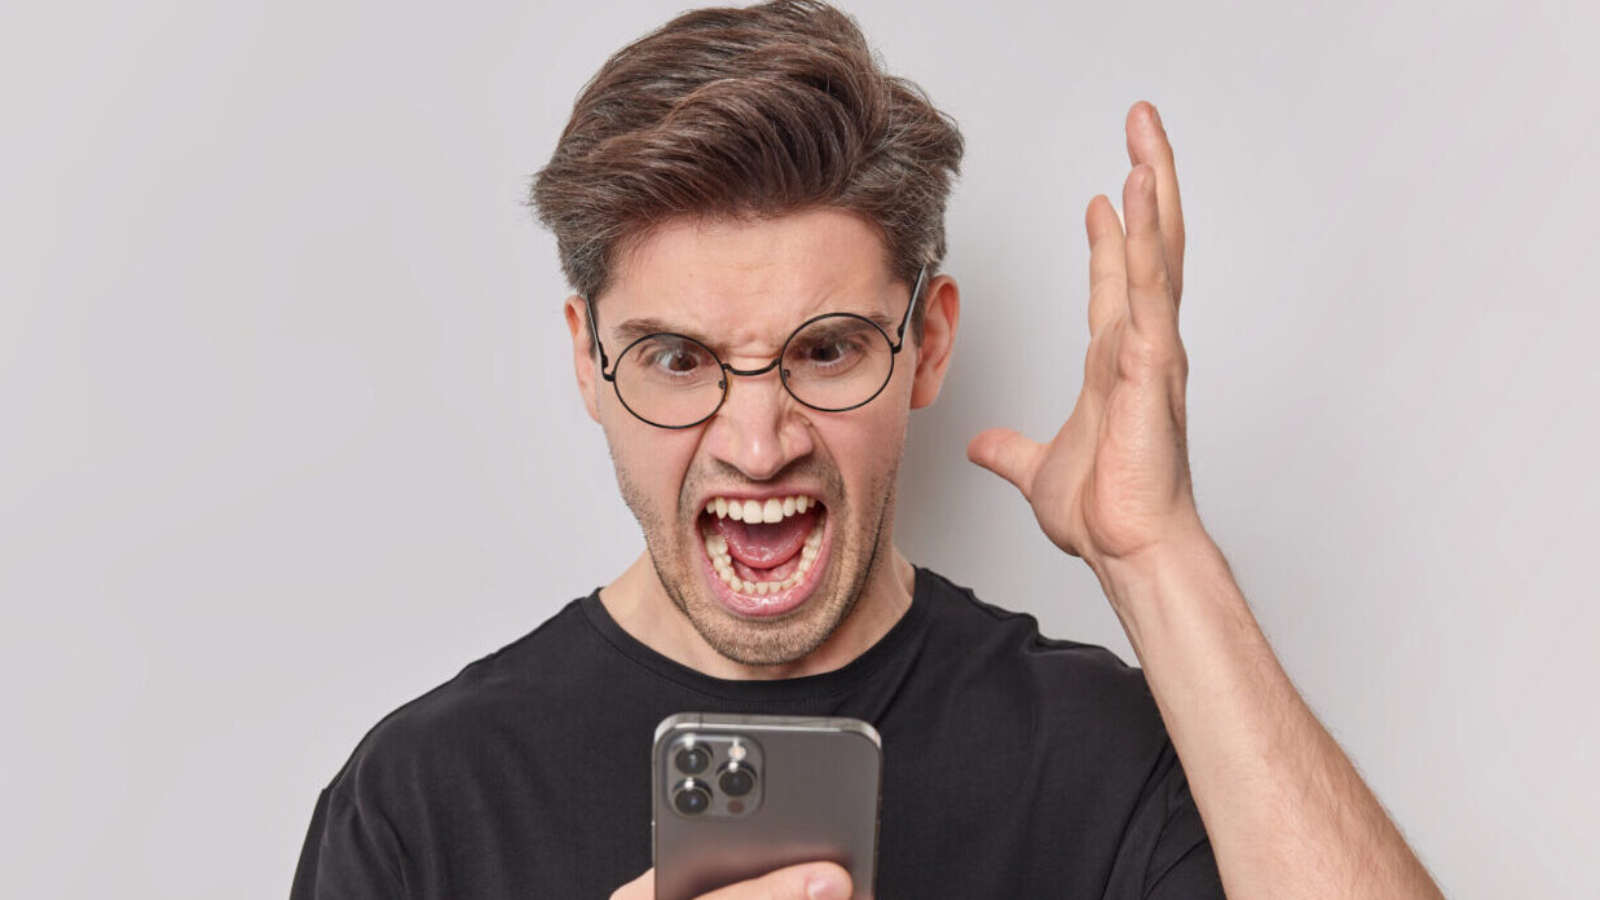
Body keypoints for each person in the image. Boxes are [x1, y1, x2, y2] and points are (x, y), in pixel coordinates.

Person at [290, 2, 1445, 898]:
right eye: (678, 360)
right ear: (587, 362)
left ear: (927, 346)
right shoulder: (422, 803)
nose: (756, 442)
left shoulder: (1099, 757)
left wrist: (1157, 556)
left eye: (828, 349)